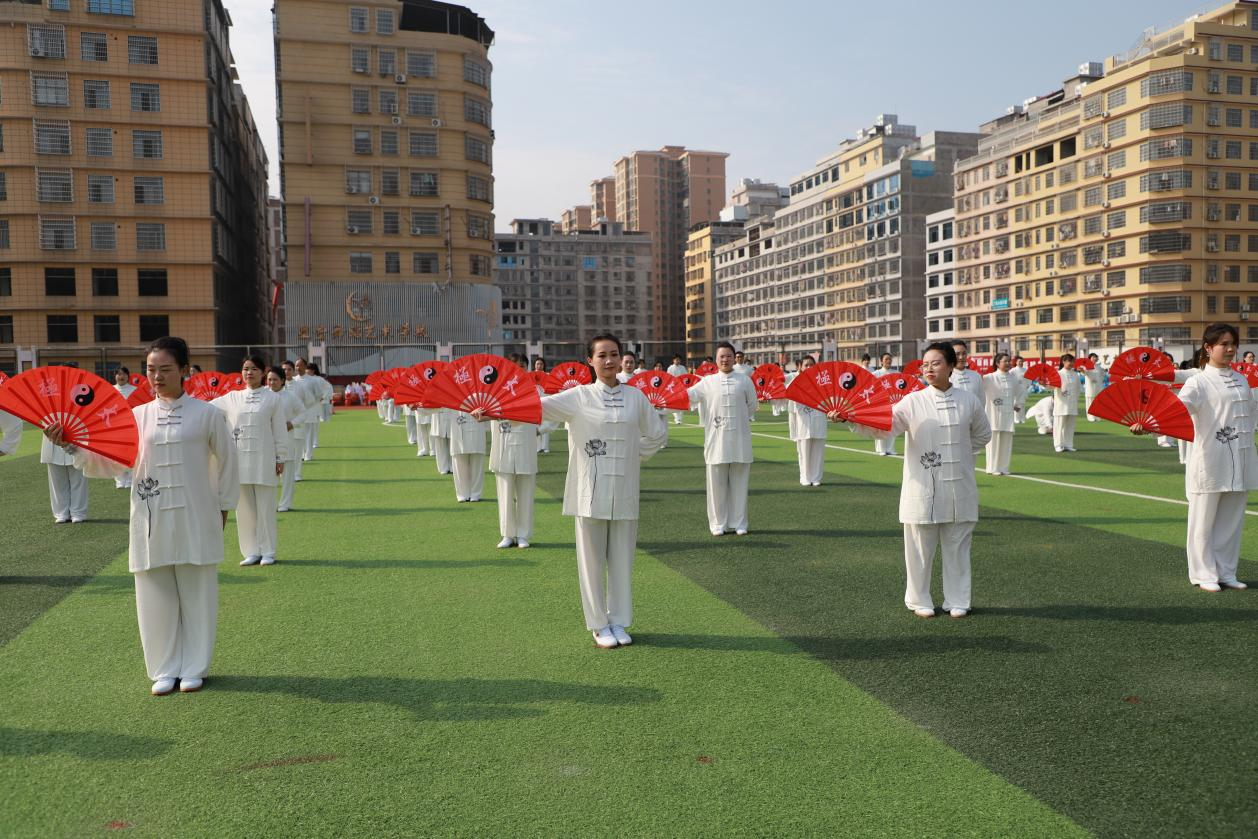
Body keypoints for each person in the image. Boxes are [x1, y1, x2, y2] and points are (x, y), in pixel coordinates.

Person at [47, 336, 238, 695]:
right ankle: (164, 667)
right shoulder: (135, 417)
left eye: (165, 369)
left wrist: (223, 508)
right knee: (154, 591)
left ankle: (195, 665)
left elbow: (229, 464)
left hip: (197, 513)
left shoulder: (209, 415)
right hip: (151, 516)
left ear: (184, 371)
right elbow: (110, 461)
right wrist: (71, 445)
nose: (157, 377)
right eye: (151, 370)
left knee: (198, 590)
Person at [841, 342, 991, 618]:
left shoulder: (968, 400)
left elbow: (983, 434)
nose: (929, 369)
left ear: (949, 365)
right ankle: (919, 599)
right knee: (920, 546)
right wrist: (852, 419)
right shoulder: (913, 400)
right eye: (925, 364)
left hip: (960, 484)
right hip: (923, 484)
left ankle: (958, 599)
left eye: (935, 363)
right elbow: (885, 428)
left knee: (958, 544)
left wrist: (957, 450)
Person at [539, 333, 667, 648]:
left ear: (622, 358)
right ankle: (599, 624)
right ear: (590, 361)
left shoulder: (636, 397)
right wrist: (495, 410)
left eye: (614, 354)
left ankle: (619, 621)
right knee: (592, 561)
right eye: (602, 355)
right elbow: (535, 408)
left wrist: (633, 455)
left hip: (624, 489)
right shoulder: (578, 396)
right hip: (589, 491)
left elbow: (658, 434)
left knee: (622, 560)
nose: (609, 361)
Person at [1167, 324, 1254, 592]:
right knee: (1202, 521)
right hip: (1210, 460)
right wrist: (1147, 424)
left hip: (1241, 459)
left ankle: (1227, 571)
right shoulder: (1198, 381)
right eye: (1224, 344)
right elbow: (1175, 411)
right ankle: (1203, 573)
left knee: (1232, 520)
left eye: (1233, 344)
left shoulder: (1241, 379)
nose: (1230, 349)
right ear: (1208, 348)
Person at [212, 356, 288, 567]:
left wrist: (280, 457)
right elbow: (205, 409)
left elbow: (280, 431)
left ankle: (268, 551)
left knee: (266, 507)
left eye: (254, 369)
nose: (249, 373)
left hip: (264, 459)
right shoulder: (232, 397)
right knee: (244, 509)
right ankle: (251, 551)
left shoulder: (273, 399)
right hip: (239, 460)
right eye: (245, 369)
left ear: (262, 372)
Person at [688, 341, 758, 536]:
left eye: (728, 356)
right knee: (716, 484)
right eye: (721, 356)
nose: (725, 359)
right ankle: (718, 523)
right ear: (716, 360)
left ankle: (739, 522)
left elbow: (752, 405)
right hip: (715, 441)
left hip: (740, 440)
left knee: (740, 483)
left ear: (734, 358)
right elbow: (689, 396)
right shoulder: (707, 382)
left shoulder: (744, 380)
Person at [982, 352, 1028, 476]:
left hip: (1008, 415)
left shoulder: (1013, 378)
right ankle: (992, 467)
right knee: (994, 442)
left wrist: (1018, 405)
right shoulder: (989, 377)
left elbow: (1021, 392)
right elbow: (977, 387)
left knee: (1006, 441)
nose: (1008, 363)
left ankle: (1003, 467)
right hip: (993, 415)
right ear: (997, 363)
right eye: (1005, 361)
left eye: (1009, 361)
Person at [787, 356, 828, 485]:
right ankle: (805, 477)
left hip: (819, 421)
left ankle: (816, 478)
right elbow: (791, 410)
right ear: (800, 367)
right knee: (803, 451)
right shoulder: (795, 383)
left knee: (818, 451)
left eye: (812, 365)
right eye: (806, 365)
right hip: (803, 422)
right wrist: (793, 429)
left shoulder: (823, 383)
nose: (809, 367)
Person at [268, 366, 303, 513]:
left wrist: (292, 424)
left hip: (286, 439)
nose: (272, 382)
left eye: (275, 379)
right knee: (269, 475)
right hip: (267, 441)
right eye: (269, 379)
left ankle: (285, 503)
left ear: (282, 380)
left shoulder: (290, 396)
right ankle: (269, 503)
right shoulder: (264, 395)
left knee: (287, 475)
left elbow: (303, 413)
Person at [41, 425, 88, 524]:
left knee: (78, 478)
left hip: (76, 433)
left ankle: (78, 512)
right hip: (52, 435)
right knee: (57, 481)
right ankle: (61, 512)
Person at [448, 409, 486, 502]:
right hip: (458, 428)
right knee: (459, 462)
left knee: (477, 462)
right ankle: (462, 494)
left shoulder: (482, 394)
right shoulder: (453, 396)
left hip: (477, 427)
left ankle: (475, 493)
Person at [1049, 354, 1081, 452]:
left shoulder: (1075, 374)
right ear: (1063, 362)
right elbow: (1051, 386)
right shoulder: (1058, 373)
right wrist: (1044, 384)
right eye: (1069, 361)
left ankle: (1068, 444)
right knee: (1059, 425)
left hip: (1072, 404)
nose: (1071, 363)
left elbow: (1078, 388)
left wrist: (1075, 399)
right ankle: (1058, 445)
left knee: (1070, 425)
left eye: (1072, 361)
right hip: (1061, 404)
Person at [112, 367, 137, 489]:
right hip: (115, 426)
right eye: (118, 374)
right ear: (115, 376)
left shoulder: (135, 391)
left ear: (128, 376)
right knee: (116, 453)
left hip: (132, 425)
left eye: (123, 374)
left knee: (132, 452)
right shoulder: (110, 390)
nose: (121, 377)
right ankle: (120, 479)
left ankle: (131, 478)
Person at [872, 354, 900, 456]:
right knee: (881, 426)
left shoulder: (896, 373)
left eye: (890, 359)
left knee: (892, 426)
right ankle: (881, 448)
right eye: (886, 359)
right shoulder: (876, 374)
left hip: (893, 403)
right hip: (880, 403)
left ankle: (890, 448)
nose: (889, 361)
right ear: (881, 361)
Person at [1082, 353, 1106, 422]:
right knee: (1090, 402)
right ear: (1090, 358)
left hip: (1098, 388)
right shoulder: (1086, 366)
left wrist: (1100, 379)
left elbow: (1103, 375)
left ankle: (1097, 416)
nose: (1095, 358)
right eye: (1093, 357)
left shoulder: (1099, 367)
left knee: (1097, 403)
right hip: (1090, 388)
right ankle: (1090, 416)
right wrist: (1082, 370)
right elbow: (1084, 372)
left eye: (1096, 357)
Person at [666, 355, 688, 424]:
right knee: (674, 403)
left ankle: (680, 419)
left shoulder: (683, 367)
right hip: (673, 388)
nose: (678, 361)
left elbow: (686, 377)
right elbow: (668, 378)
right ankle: (677, 418)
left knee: (681, 403)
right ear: (673, 360)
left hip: (681, 388)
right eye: (676, 359)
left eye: (679, 359)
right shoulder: (670, 368)